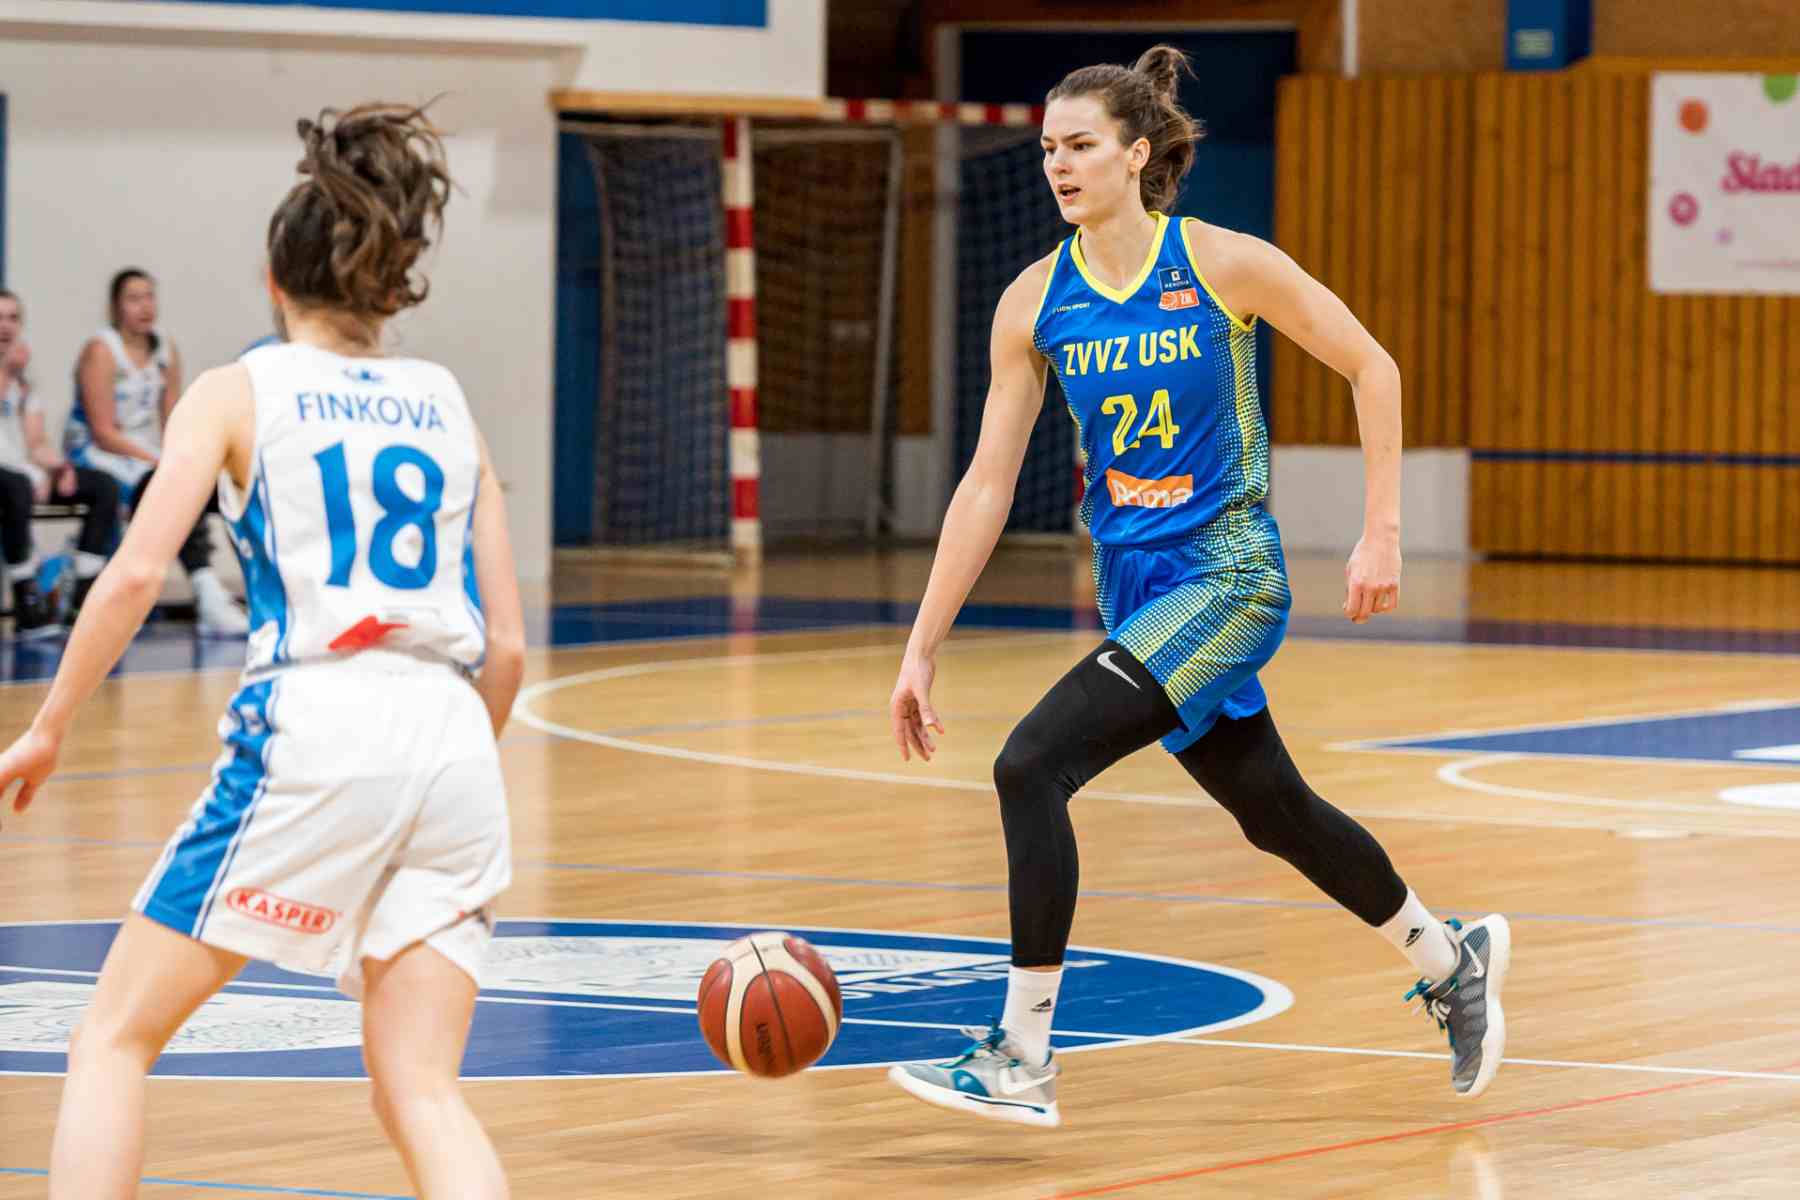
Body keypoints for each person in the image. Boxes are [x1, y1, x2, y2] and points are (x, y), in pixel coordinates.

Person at [884, 47, 1510, 1128]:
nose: (1059, 165)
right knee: (1277, 813)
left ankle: (1022, 1053)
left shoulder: (1223, 264)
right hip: (1136, 594)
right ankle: (1451, 961)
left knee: (1030, 764)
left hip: (1228, 578)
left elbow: (1374, 367)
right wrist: (920, 646)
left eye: (1082, 146)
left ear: (1137, 154)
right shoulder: (1035, 301)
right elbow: (987, 484)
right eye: (1048, 149)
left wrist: (1382, 534)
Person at [0, 102, 526, 1199]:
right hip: (455, 742)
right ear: (390, 281)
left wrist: (47, 726)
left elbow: (133, 576)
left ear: (273, 279)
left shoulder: (237, 389)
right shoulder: (447, 403)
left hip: (319, 721)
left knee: (111, 1039)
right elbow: (509, 651)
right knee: (422, 1089)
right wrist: (430, 780)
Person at [69, 268, 251, 635]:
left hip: (145, 454)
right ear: (116, 306)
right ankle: (207, 591)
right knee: (170, 483)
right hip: (99, 454)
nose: (145, 306)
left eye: (150, 296)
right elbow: (103, 432)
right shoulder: (101, 350)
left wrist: (188, 456)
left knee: (214, 483)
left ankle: (253, 585)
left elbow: (173, 420)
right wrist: (161, 461)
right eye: (134, 298)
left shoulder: (166, 349)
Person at [0, 289, 123, 635]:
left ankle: (82, 594)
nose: (6, 326)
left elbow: (35, 442)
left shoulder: (24, 380)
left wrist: (58, 467)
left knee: (103, 486)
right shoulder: (11, 371)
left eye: (13, 318)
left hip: (22, 474)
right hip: (12, 479)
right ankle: (26, 600)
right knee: (16, 485)